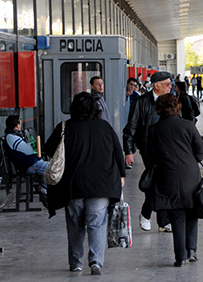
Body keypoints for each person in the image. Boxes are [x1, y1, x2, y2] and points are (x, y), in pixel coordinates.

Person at [43, 92, 126, 275]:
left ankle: (76, 263)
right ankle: (96, 262)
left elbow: (48, 149)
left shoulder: (65, 127)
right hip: (100, 184)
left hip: (73, 184)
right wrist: (121, 175)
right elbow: (118, 153)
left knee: (75, 224)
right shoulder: (104, 127)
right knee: (97, 223)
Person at [149, 93, 203, 267]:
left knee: (176, 216)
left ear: (159, 109)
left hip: (167, 176)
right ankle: (192, 250)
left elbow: (150, 155)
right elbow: (200, 152)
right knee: (192, 213)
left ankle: (179, 256)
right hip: (190, 175)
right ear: (177, 106)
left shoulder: (154, 129)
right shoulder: (188, 126)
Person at [122, 71, 173, 233]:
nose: (170, 87)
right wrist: (129, 150)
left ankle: (159, 220)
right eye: (167, 84)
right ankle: (148, 215)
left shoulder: (171, 101)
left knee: (161, 182)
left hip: (168, 148)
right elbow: (131, 128)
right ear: (156, 85)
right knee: (158, 181)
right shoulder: (140, 102)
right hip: (148, 148)